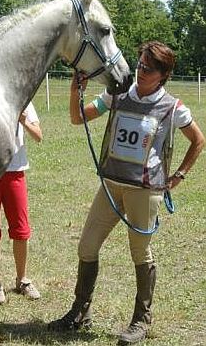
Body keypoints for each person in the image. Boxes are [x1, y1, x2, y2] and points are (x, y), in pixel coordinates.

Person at [48, 41, 205, 345]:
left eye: (148, 68)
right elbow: (78, 117)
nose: (140, 71)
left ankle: (141, 320)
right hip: (111, 186)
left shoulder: (172, 107)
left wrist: (180, 175)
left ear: (163, 74)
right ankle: (80, 313)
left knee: (140, 253)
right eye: (140, 64)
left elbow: (198, 141)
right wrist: (74, 91)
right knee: (86, 247)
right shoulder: (119, 93)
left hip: (144, 192)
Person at [0, 102, 43, 304]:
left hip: (16, 173)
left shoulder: (26, 101)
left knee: (21, 230)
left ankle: (22, 280)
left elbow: (38, 136)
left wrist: (23, 120)